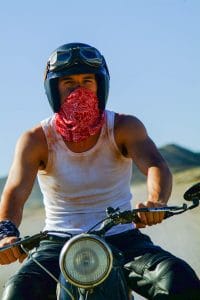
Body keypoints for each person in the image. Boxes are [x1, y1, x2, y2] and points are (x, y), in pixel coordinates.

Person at [0, 42, 199, 300]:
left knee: (180, 280)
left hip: (121, 235)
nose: (79, 90)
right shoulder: (36, 139)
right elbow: (15, 192)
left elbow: (155, 164)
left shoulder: (124, 127)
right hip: (56, 241)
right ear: (53, 90)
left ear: (100, 85)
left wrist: (156, 202)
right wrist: (6, 234)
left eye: (87, 81)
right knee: (16, 293)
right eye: (68, 83)